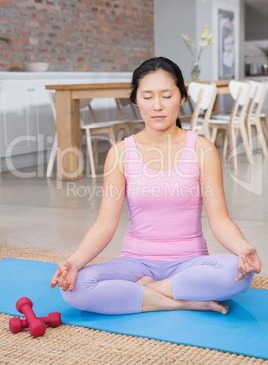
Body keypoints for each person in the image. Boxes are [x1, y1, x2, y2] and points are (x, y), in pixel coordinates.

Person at [50, 56, 261, 315]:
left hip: (189, 262)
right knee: (75, 286)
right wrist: (73, 262)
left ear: (182, 98)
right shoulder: (120, 153)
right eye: (147, 96)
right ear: (136, 100)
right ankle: (182, 301)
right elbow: (105, 224)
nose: (157, 106)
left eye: (167, 95)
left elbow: (220, 221)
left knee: (237, 273)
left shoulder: (202, 150)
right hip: (135, 262)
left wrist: (243, 249)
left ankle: (149, 290)